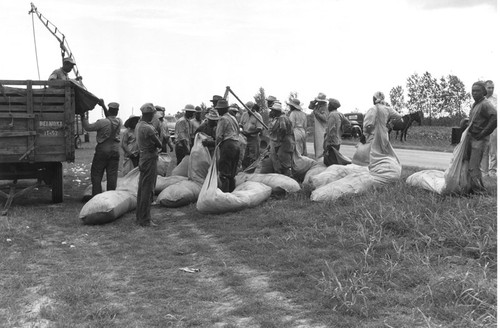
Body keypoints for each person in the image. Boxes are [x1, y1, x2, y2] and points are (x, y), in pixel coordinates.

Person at [81, 101, 122, 197]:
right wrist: (103, 105)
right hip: (115, 151)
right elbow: (110, 117)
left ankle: (96, 197)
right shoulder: (120, 121)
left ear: (108, 110)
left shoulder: (102, 122)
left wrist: (83, 116)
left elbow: (88, 127)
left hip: (102, 151)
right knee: (112, 175)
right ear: (117, 111)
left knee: (96, 175)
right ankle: (110, 198)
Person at [466, 81, 497, 192]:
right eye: (473, 91)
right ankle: (475, 187)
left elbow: (495, 118)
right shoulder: (476, 104)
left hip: (479, 139)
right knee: (472, 166)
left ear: (483, 92)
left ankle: (478, 191)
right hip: (473, 138)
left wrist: (483, 133)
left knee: (473, 166)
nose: (474, 93)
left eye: (477, 91)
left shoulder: (485, 104)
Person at [135, 103, 163, 227]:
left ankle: (139, 216)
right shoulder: (148, 128)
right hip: (149, 158)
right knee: (147, 189)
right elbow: (160, 144)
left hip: (143, 157)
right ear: (150, 114)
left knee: (142, 188)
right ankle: (145, 219)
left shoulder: (138, 125)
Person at [215, 99, 240, 192]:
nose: (217, 111)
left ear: (222, 109)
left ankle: (225, 194)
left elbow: (219, 136)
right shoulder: (233, 118)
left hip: (228, 145)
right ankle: (232, 192)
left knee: (224, 172)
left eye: (218, 109)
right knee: (232, 172)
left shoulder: (223, 119)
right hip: (236, 144)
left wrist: (217, 147)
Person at [268, 102, 295, 177]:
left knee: (284, 160)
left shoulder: (282, 118)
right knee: (284, 160)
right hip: (288, 140)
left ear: (277, 111)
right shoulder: (284, 117)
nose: (272, 112)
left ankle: (288, 178)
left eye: (273, 110)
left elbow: (283, 128)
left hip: (285, 141)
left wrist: (279, 139)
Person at [480, 80, 497, 178]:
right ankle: (484, 172)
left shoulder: (496, 98)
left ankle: (493, 171)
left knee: (493, 150)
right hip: (483, 127)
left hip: (494, 127)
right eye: (489, 87)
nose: (491, 89)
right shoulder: (481, 99)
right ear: (484, 88)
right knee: (484, 150)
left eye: (492, 88)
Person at [240, 101, 264, 169]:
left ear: (253, 108)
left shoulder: (258, 116)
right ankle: (244, 170)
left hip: (253, 139)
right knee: (244, 156)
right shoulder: (244, 115)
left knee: (253, 157)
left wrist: (249, 133)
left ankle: (252, 171)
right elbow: (240, 125)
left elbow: (259, 128)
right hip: (244, 139)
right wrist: (242, 130)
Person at [309, 92, 329, 158]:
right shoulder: (317, 106)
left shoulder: (325, 107)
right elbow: (310, 107)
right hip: (317, 128)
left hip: (322, 129)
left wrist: (316, 112)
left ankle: (321, 159)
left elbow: (325, 118)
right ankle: (318, 158)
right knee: (317, 145)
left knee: (321, 145)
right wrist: (314, 102)